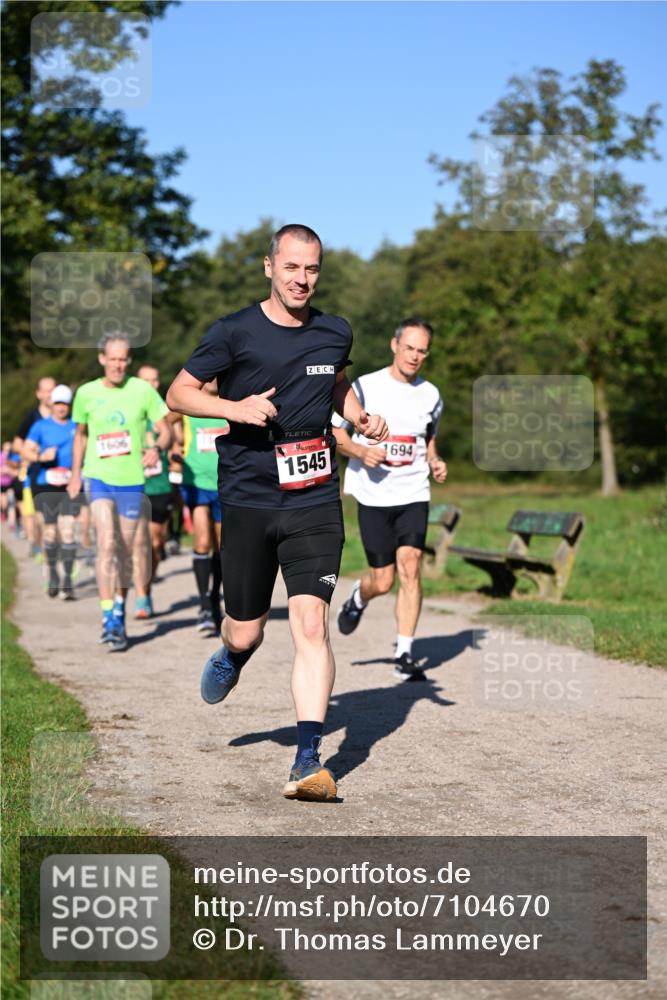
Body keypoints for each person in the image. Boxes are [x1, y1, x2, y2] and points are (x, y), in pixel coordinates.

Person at [167, 223, 388, 801]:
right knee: (247, 629)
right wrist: (233, 407)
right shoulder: (234, 332)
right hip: (248, 497)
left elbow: (335, 385)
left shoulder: (334, 331)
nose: (302, 279)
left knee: (311, 624)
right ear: (270, 267)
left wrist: (358, 416)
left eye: (312, 269)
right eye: (292, 267)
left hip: (315, 496)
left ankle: (308, 758)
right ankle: (234, 653)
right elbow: (180, 393)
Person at [332, 318, 447, 680]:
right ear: (394, 346)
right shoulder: (366, 386)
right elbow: (333, 431)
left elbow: (427, 436)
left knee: (410, 567)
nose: (415, 356)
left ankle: (404, 652)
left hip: (413, 491)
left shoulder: (431, 394)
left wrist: (434, 460)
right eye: (409, 348)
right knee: (383, 580)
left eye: (422, 351)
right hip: (374, 493)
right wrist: (360, 453)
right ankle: (359, 597)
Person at [67, 334, 170, 651]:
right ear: (102, 359)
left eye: (123, 359)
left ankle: (119, 612)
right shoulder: (86, 393)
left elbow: (165, 429)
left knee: (125, 550)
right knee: (106, 543)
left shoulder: (142, 391)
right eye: (112, 359)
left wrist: (156, 448)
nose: (117, 364)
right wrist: (75, 474)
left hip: (131, 481)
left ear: (129, 361)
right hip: (98, 477)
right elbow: (81, 436)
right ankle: (107, 616)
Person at [169, 381, 228, 636]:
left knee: (222, 545)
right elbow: (164, 418)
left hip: (225, 482)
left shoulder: (231, 398)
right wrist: (174, 445)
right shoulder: (189, 400)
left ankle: (215, 596)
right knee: (202, 542)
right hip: (196, 483)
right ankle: (204, 605)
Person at [22, 384, 80, 598]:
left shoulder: (77, 425)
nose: (61, 408)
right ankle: (53, 573)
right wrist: (40, 457)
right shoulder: (40, 426)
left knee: (68, 531)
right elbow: (25, 450)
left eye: (65, 403)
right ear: (51, 404)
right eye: (57, 403)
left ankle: (67, 579)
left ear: (69, 405)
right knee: (50, 532)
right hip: (45, 484)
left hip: (70, 484)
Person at [132, 364, 174, 619]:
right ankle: (141, 596)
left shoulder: (167, 413)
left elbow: (178, 437)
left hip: (161, 484)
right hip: (135, 484)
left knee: (156, 543)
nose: (151, 384)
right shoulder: (131, 409)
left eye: (155, 379)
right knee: (141, 542)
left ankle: (147, 584)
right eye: (145, 380)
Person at [13, 375, 56, 557]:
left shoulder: (64, 415)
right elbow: (17, 444)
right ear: (39, 394)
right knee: (38, 518)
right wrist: (36, 453)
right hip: (36, 473)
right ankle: (38, 544)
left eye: (52, 390)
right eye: (45, 391)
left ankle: (52, 553)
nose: (49, 395)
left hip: (60, 475)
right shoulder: (31, 418)